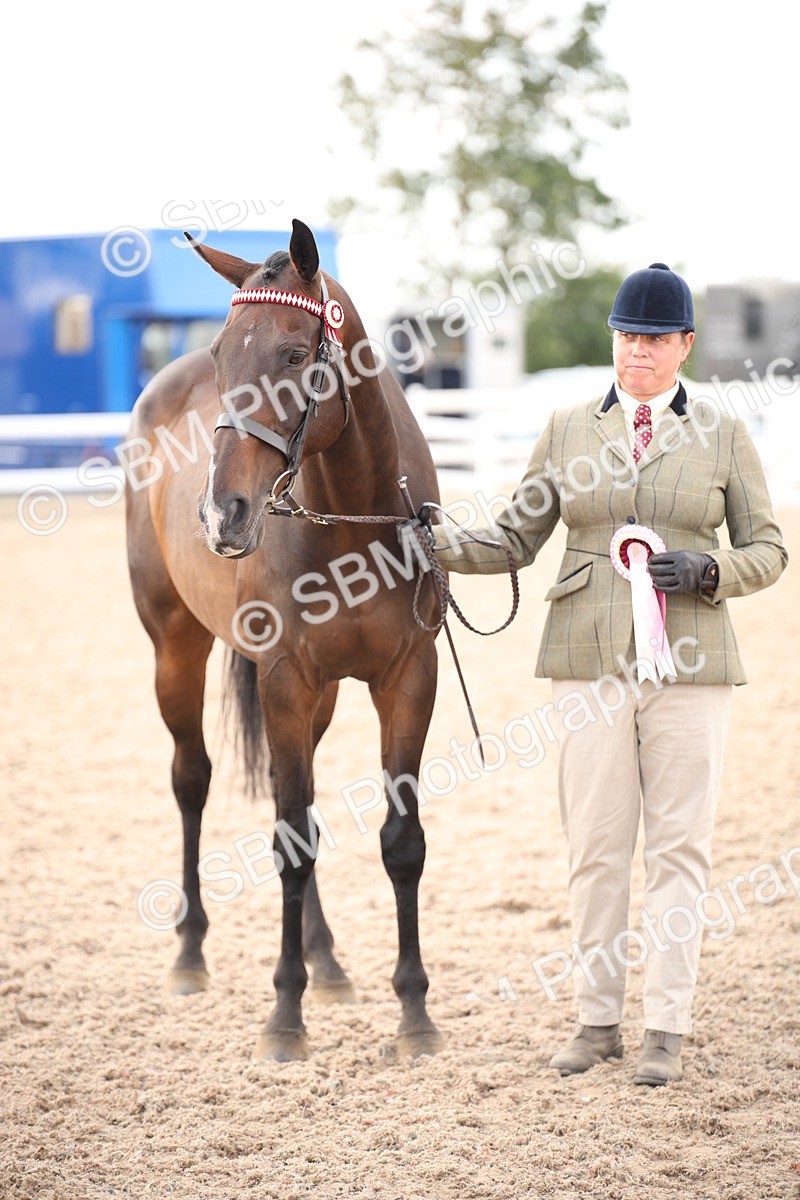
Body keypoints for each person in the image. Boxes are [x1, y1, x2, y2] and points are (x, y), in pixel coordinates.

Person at [431, 263, 788, 1086]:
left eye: (656, 338)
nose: (639, 350)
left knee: (679, 848)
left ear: (685, 346)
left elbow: (769, 550)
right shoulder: (565, 428)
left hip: (691, 661)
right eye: (628, 335)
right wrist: (436, 543)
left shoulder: (725, 434)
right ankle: (597, 1020)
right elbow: (516, 540)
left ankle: (665, 1025)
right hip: (588, 659)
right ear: (614, 342)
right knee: (596, 846)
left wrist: (706, 571)